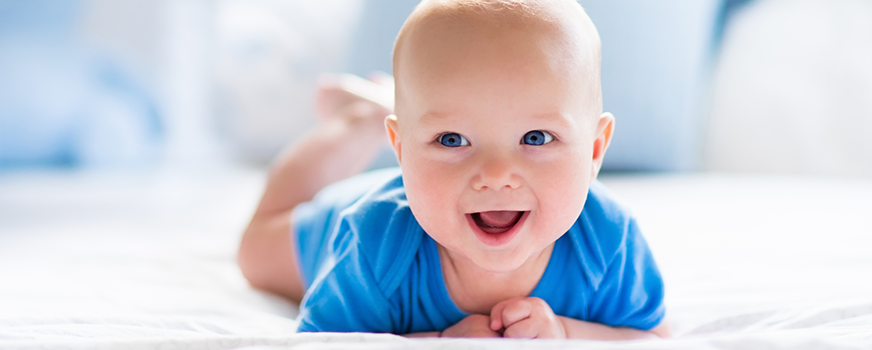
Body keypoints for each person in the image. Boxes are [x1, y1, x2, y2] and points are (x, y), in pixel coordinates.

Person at [238, 0, 670, 339]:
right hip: (335, 224)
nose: (497, 174)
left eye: (536, 138)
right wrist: (440, 339)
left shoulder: (608, 242)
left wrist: (565, 331)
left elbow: (650, 335)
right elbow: (324, 342)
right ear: (402, 150)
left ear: (594, 150)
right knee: (254, 252)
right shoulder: (374, 244)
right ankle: (359, 122)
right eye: (452, 139)